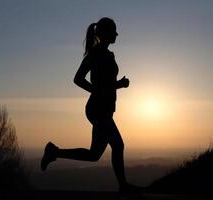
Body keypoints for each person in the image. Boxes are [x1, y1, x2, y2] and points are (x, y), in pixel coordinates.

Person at [41, 17, 141, 193]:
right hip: (97, 109)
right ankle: (123, 186)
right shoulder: (95, 53)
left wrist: (118, 84)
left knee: (94, 155)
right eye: (113, 31)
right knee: (118, 145)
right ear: (105, 33)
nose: (116, 34)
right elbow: (78, 78)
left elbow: (105, 83)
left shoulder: (109, 54)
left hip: (106, 109)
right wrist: (99, 90)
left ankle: (54, 152)